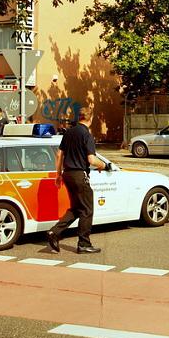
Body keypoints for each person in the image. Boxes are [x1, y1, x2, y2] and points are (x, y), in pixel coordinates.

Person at [46, 107, 107, 254]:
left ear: (79, 117)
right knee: (87, 210)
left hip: (67, 175)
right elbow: (92, 159)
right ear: (90, 118)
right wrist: (104, 165)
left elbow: (59, 154)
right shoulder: (87, 135)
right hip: (80, 175)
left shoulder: (69, 132)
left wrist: (58, 174)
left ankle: (54, 232)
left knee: (76, 208)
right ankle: (84, 244)